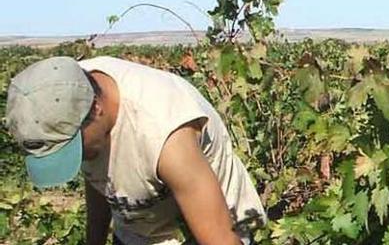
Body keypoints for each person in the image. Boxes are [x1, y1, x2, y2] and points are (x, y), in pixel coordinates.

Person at [5, 55, 267, 245]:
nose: (80, 158)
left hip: (210, 229)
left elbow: (219, 238)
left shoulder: (165, 135)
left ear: (96, 109)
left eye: (75, 149)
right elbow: (100, 178)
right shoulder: (64, 96)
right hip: (138, 229)